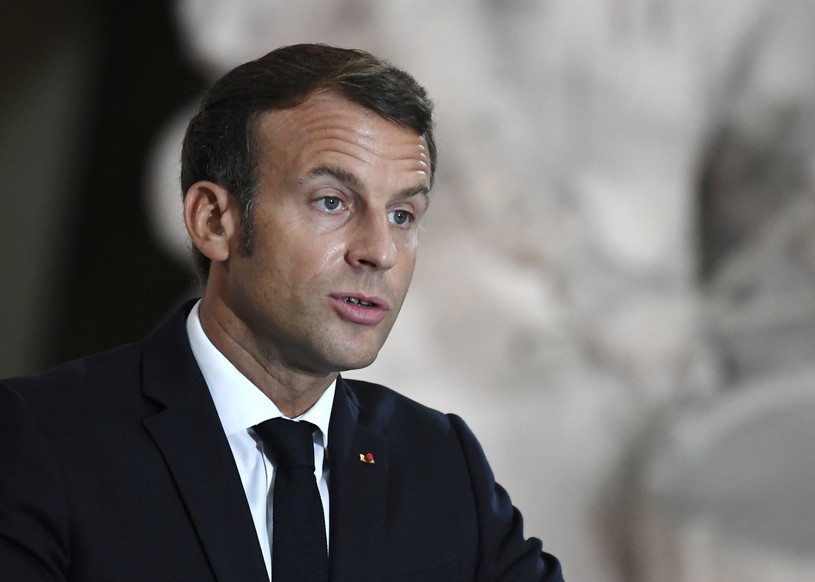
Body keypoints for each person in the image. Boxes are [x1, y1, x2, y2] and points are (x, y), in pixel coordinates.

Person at [0, 44, 563, 581]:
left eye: (401, 214)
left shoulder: (441, 463)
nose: (379, 252)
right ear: (214, 221)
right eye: (332, 202)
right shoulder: (40, 439)